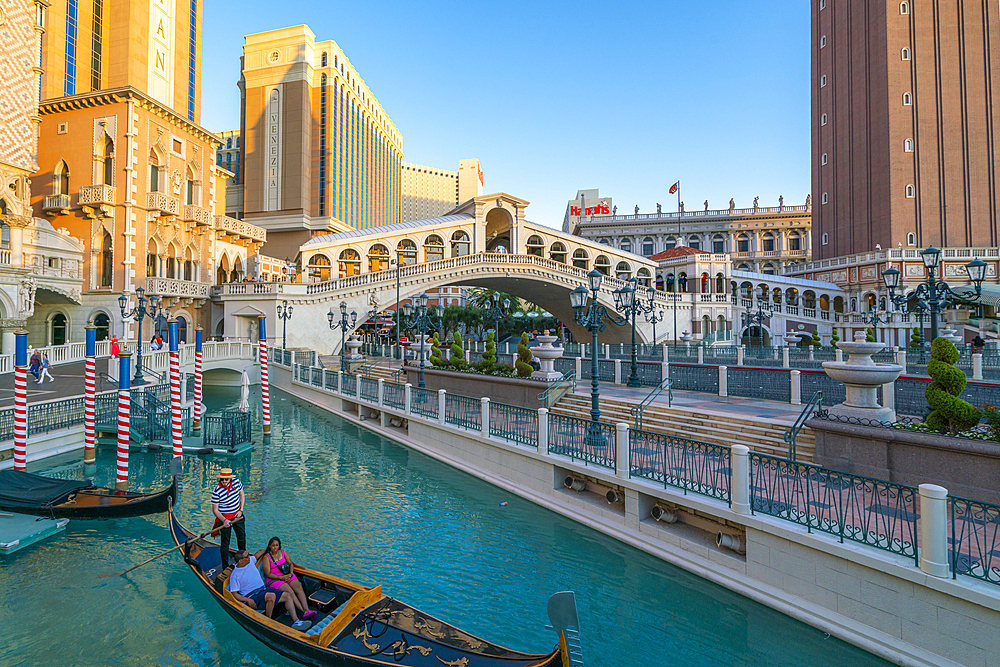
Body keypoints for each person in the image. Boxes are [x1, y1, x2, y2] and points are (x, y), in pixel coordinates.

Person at [228, 549, 311, 630]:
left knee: (288, 595)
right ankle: (268, 622)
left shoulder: (250, 561)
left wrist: (270, 549)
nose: (249, 557)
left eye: (249, 554)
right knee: (271, 596)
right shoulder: (235, 575)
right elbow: (234, 593)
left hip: (263, 590)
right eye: (247, 556)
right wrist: (247, 600)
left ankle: (296, 621)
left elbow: (258, 553)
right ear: (240, 561)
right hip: (252, 596)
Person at [261, 537, 315, 619]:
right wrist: (281, 577)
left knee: (298, 587)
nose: (275, 547)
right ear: (269, 546)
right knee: (289, 591)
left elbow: (290, 563)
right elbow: (268, 573)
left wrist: (291, 573)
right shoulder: (266, 558)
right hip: (275, 579)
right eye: (273, 545)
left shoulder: (283, 552)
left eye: (277, 545)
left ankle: (306, 609)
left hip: (287, 574)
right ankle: (303, 611)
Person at [211, 468, 246, 568]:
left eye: (226, 479)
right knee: (225, 543)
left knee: (242, 538)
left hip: (238, 516)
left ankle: (243, 560)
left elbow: (242, 495)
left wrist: (241, 510)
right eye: (222, 479)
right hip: (225, 519)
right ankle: (225, 566)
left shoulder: (237, 482)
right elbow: (215, 510)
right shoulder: (217, 491)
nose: (224, 481)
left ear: (230, 479)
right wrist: (224, 520)